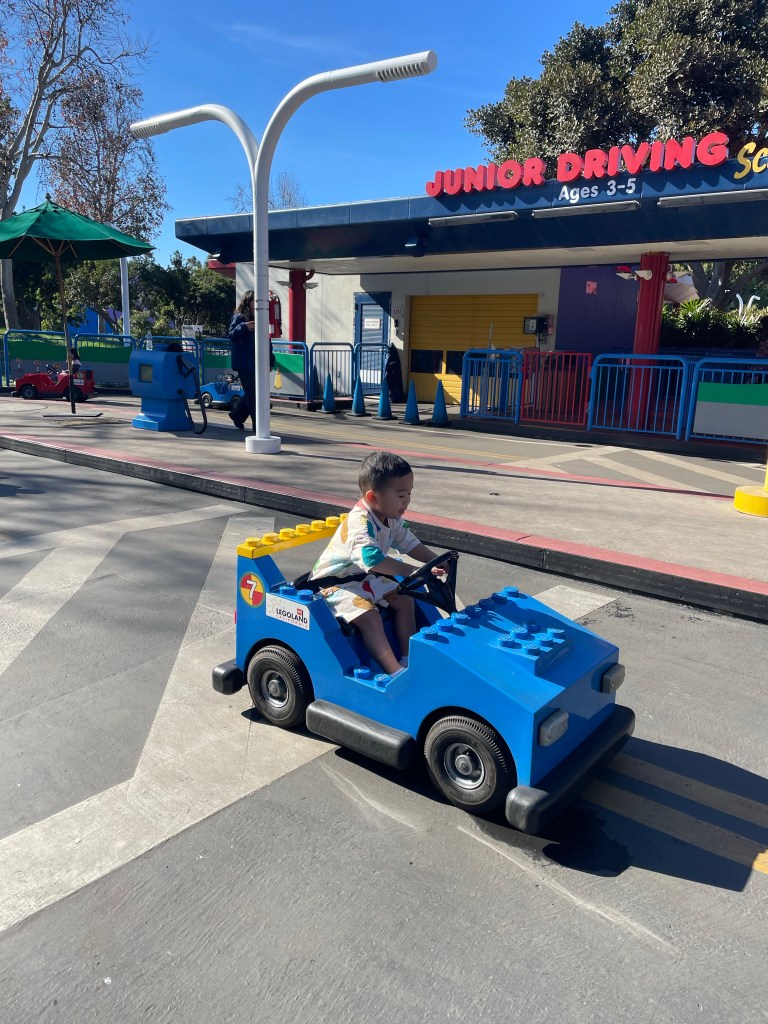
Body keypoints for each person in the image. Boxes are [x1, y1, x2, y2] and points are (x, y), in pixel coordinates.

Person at [309, 451, 446, 676]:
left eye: (409, 493)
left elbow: (409, 543)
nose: (407, 500)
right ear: (373, 497)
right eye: (401, 495)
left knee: (405, 599)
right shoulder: (360, 523)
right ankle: (395, 672)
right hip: (332, 585)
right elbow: (371, 559)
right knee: (369, 615)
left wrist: (433, 561)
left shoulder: (391, 517)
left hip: (362, 580)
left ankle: (408, 660)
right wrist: (412, 571)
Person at [227, 291, 256, 430]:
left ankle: (237, 415)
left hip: (255, 361)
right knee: (252, 394)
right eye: (254, 301)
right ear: (248, 302)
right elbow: (231, 334)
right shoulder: (239, 317)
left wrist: (270, 360)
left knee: (254, 392)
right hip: (244, 362)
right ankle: (258, 425)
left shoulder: (259, 316)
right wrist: (244, 327)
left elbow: (266, 340)